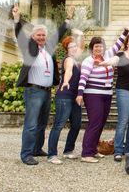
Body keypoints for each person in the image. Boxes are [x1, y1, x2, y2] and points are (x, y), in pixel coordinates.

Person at [12, 3, 73, 165]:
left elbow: (59, 33)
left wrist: (68, 19)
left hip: (46, 91)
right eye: (38, 35)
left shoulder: (48, 48)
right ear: (33, 37)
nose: (41, 37)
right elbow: (19, 33)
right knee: (31, 124)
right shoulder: (29, 47)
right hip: (33, 91)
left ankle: (37, 149)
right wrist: (17, 19)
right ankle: (26, 154)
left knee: (41, 123)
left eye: (43, 35)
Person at [77, 28, 129, 163]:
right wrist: (80, 94)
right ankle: (86, 153)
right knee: (94, 122)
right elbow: (83, 78)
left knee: (101, 122)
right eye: (96, 46)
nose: (98, 48)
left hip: (107, 94)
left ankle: (94, 149)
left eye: (100, 46)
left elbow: (117, 45)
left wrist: (124, 34)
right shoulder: (88, 61)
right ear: (92, 48)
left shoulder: (107, 56)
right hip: (93, 95)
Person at [104, 33, 129, 162]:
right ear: (127, 44)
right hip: (124, 91)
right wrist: (103, 64)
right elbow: (112, 61)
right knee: (123, 121)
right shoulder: (121, 56)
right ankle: (118, 150)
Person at [47, 36, 83, 164]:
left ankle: (68, 151)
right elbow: (68, 72)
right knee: (58, 125)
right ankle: (52, 155)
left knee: (77, 124)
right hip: (64, 95)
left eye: (75, 46)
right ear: (66, 49)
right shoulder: (69, 60)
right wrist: (66, 81)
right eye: (70, 46)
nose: (73, 48)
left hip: (74, 97)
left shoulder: (76, 60)